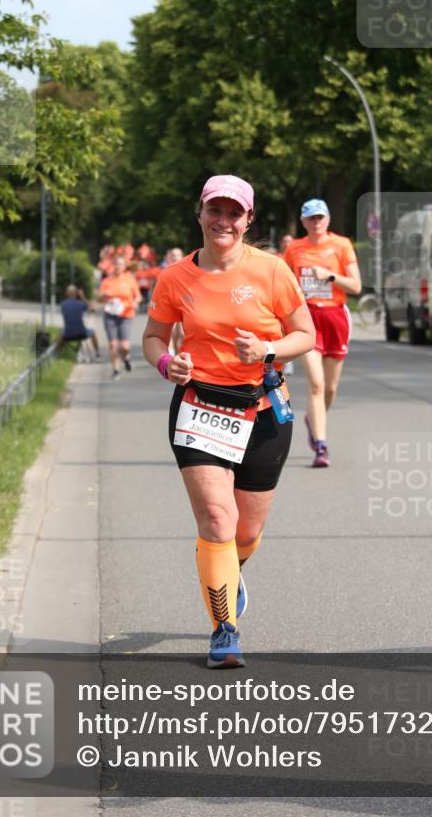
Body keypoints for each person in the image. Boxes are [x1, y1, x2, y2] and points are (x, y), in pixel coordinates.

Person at [142, 175, 315, 668]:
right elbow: (153, 336)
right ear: (199, 213)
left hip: (261, 409)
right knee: (218, 519)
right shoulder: (176, 277)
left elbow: (304, 334)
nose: (223, 221)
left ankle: (227, 570)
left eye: (233, 213)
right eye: (214, 210)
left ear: (248, 220)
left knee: (245, 532)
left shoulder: (272, 270)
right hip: (199, 407)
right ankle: (224, 630)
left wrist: (268, 348)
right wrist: (165, 362)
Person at [284, 198, 362, 468]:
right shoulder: (294, 249)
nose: (316, 222)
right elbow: (286, 284)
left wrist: (329, 276)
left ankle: (314, 419)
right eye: (311, 218)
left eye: (320, 217)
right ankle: (321, 445)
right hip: (307, 318)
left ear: (327, 219)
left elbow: (356, 286)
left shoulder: (341, 245)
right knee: (316, 384)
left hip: (335, 316)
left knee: (330, 388)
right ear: (304, 222)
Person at [99, 255, 142, 379]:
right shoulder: (107, 281)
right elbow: (99, 298)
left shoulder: (130, 280)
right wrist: (103, 295)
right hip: (110, 315)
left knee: (124, 346)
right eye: (116, 263)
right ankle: (116, 370)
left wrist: (135, 302)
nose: (118, 266)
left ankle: (126, 358)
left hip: (126, 314)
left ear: (124, 266)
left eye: (121, 264)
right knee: (113, 344)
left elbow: (138, 296)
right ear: (113, 265)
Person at [57, 285, 101, 360]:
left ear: (66, 294)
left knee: (61, 333)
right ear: (77, 294)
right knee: (92, 333)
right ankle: (97, 353)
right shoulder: (80, 304)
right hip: (82, 333)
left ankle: (57, 354)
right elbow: (92, 308)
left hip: (67, 334)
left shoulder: (63, 304)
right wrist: (83, 296)